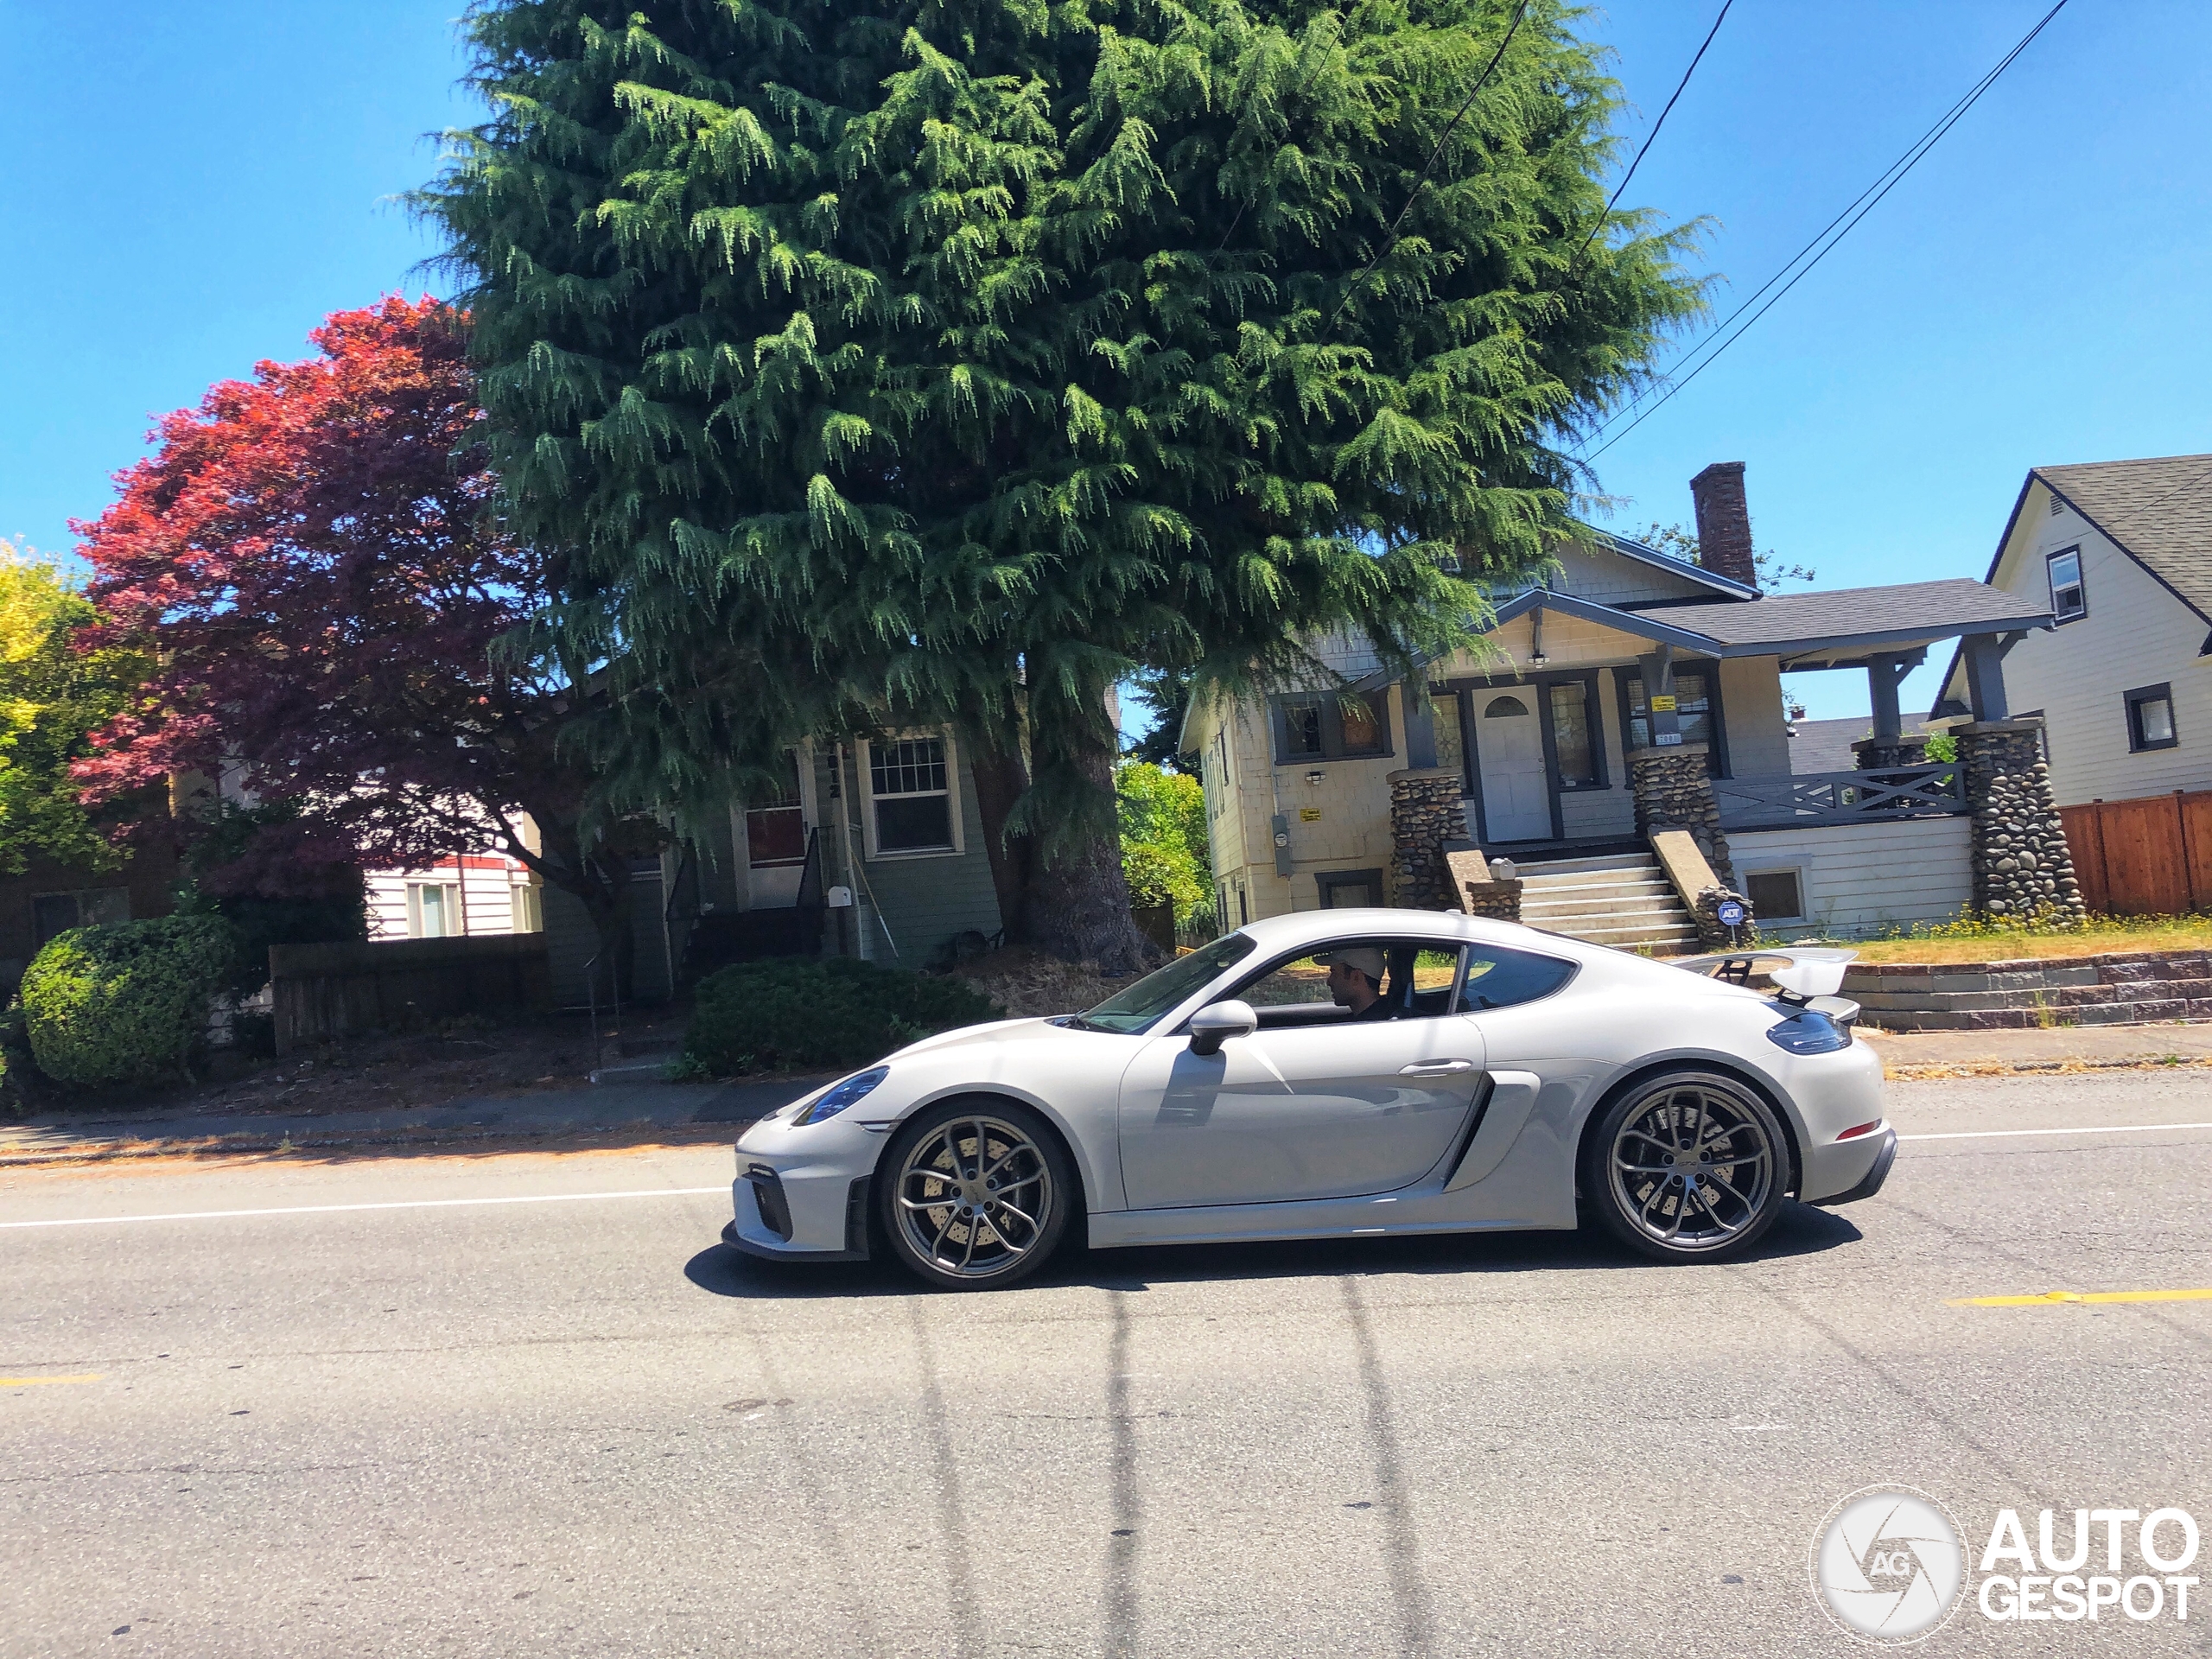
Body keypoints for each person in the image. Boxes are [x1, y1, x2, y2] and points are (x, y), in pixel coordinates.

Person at [1319, 946, 1395, 1020]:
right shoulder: (1382, 1016)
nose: (1329, 982)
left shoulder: (1371, 1026)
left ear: (1356, 977)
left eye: (1334, 973)